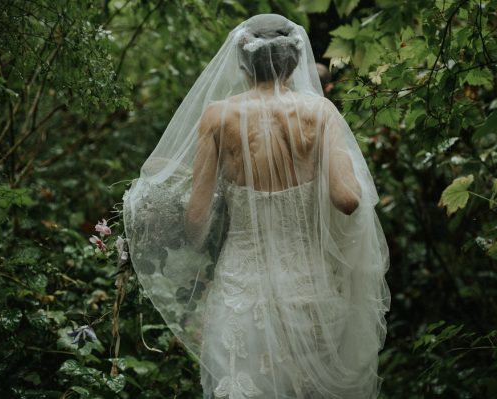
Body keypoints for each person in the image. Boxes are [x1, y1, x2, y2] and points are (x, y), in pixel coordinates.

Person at [123, 14, 390, 399]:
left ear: (243, 62)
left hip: (241, 289)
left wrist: (199, 246)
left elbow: (196, 217)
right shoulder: (320, 113)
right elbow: (347, 200)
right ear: (295, 61)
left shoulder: (218, 116)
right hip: (310, 288)